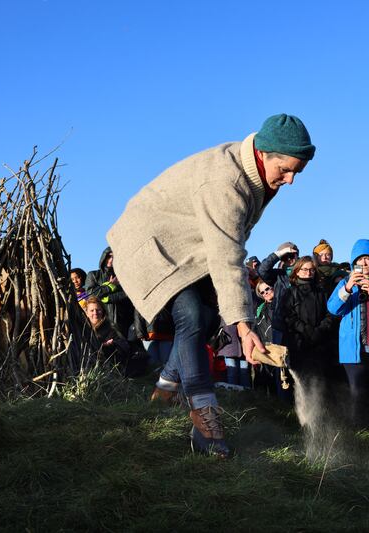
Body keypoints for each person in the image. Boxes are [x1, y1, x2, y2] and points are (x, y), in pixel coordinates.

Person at [106, 113, 315, 456]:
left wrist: (233, 314)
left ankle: (165, 388)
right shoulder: (226, 180)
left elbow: (231, 242)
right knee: (190, 313)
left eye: (298, 172)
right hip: (148, 243)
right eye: (286, 170)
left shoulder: (259, 175)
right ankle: (205, 418)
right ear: (264, 153)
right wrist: (244, 326)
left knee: (205, 318)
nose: (291, 180)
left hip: (186, 246)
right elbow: (226, 253)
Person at [327, 239, 369, 430]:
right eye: (359, 259)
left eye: (368, 258)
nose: (364, 263)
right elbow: (333, 308)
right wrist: (348, 288)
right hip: (353, 350)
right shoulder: (345, 283)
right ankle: (359, 433)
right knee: (357, 393)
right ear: (353, 263)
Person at [282, 256, 339, 387]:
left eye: (312, 270)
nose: (308, 273)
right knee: (302, 382)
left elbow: (331, 313)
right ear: (297, 271)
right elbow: (288, 317)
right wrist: (307, 330)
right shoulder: (290, 292)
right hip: (299, 343)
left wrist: (320, 330)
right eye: (305, 269)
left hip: (321, 342)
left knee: (322, 382)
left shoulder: (322, 291)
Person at [85, 247, 135, 337]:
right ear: (103, 257)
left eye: (114, 257)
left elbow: (130, 294)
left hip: (125, 322)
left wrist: (107, 298)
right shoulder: (93, 275)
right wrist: (110, 286)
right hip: (101, 322)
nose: (111, 260)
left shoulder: (125, 275)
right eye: (109, 256)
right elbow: (91, 295)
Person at [258, 241, 300, 344]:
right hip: (282, 324)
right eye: (285, 257)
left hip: (301, 322)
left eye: (291, 255)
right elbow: (262, 270)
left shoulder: (305, 272)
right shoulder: (278, 275)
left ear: (297, 254)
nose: (289, 259)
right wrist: (278, 254)